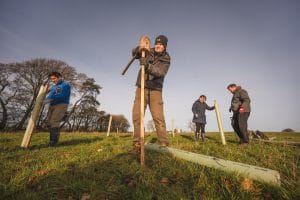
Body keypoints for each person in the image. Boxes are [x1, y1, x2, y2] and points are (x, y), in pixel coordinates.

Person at [131, 35, 171, 152]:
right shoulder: (148, 51)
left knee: (158, 118)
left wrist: (148, 66)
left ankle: (163, 143)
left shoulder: (166, 59)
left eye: (161, 44)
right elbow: (134, 54)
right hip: (141, 87)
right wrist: (140, 48)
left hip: (155, 90)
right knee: (137, 115)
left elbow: (160, 72)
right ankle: (137, 144)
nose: (158, 45)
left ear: (164, 46)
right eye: (157, 43)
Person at [45, 71, 71, 147]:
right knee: (49, 122)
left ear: (59, 77)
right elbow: (51, 95)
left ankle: (53, 143)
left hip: (61, 104)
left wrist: (47, 100)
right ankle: (52, 140)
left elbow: (61, 95)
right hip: (52, 105)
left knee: (54, 121)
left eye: (54, 78)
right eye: (51, 79)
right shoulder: (53, 87)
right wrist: (46, 98)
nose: (53, 80)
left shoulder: (65, 85)